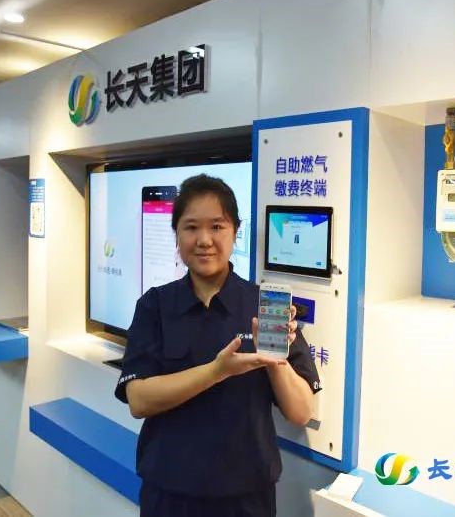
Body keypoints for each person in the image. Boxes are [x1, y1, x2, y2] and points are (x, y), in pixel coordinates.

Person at [114, 174, 321, 517]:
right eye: (191, 227)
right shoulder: (155, 306)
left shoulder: (264, 305)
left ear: (235, 231)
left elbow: (300, 412)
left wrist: (275, 360)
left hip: (247, 497)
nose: (204, 240)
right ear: (176, 233)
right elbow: (139, 400)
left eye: (217, 226)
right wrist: (216, 371)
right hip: (170, 492)